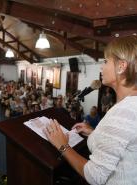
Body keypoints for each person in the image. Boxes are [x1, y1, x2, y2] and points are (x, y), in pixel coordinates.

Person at [45, 36, 137, 184]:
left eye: (106, 61)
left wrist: (62, 145)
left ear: (121, 66)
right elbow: (123, 146)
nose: (101, 66)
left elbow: (95, 176)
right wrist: (94, 133)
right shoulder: (130, 106)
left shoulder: (124, 113)